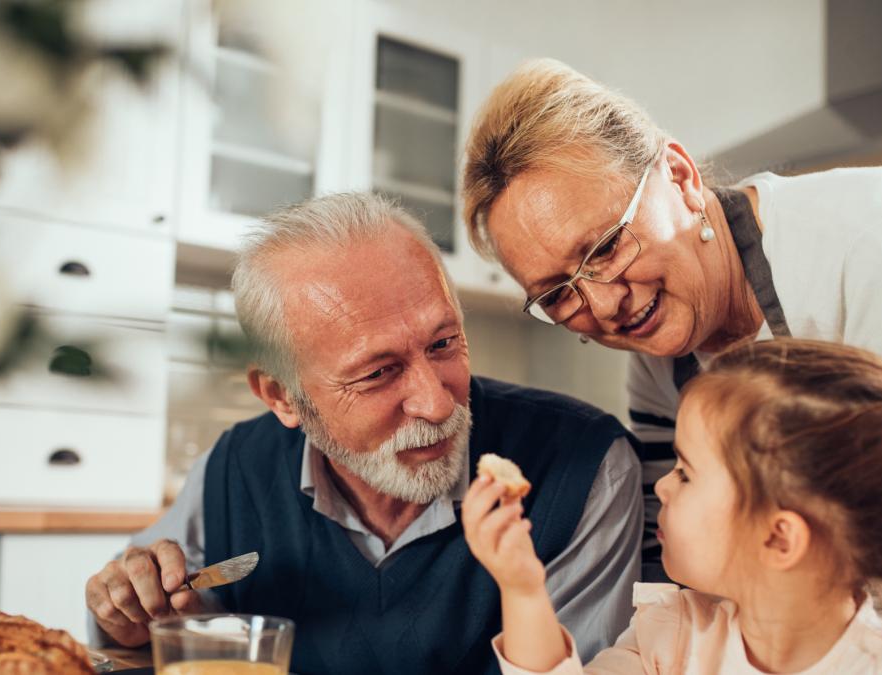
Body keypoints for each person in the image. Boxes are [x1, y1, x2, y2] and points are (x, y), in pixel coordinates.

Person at [460, 58, 882, 598]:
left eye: (606, 247)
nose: (603, 307)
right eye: (557, 293)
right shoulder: (661, 362)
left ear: (679, 177)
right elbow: (675, 554)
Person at [83, 193, 643, 674]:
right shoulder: (234, 469)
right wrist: (126, 612)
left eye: (444, 343)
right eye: (378, 372)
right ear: (281, 396)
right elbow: (139, 620)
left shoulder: (585, 466)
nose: (436, 401)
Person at [465, 338, 882, 674]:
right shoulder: (671, 636)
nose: (663, 489)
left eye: (686, 472)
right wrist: (522, 589)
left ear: (779, 537)